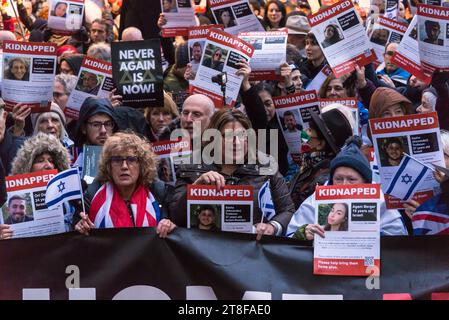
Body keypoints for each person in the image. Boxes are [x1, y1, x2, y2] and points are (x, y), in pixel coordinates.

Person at [168, 108, 295, 239]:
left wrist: (272, 227)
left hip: (251, 251)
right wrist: (195, 189)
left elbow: (287, 210)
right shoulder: (190, 166)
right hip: (205, 252)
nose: (236, 143)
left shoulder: (266, 165)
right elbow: (175, 217)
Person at [287, 137, 408, 239]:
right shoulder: (315, 201)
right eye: (338, 179)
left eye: (351, 179)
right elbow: (291, 236)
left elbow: (398, 241)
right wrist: (303, 233)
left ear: (365, 181)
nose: (344, 185)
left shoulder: (380, 202)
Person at [74, 132, 176, 238]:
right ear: (109, 166)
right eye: (117, 160)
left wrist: (170, 225)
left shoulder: (159, 193)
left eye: (131, 160)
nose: (124, 166)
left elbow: (176, 227)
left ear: (142, 165)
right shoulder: (92, 196)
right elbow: (76, 227)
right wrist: (79, 226)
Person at [0, 133, 74, 239]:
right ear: (27, 166)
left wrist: (79, 225)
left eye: (51, 161)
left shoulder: (69, 198)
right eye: (40, 161)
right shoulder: (6, 198)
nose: (48, 165)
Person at [289, 109, 354, 209]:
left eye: (310, 130)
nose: (304, 132)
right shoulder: (309, 163)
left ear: (320, 144)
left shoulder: (324, 180)